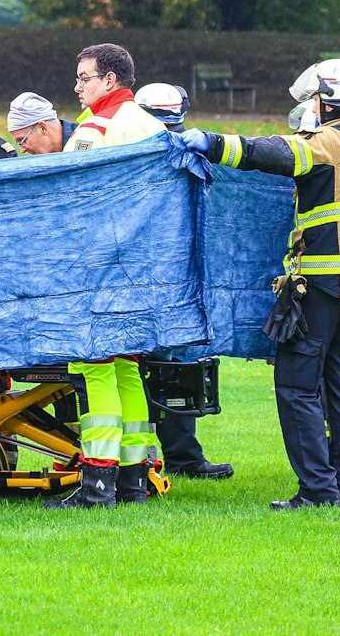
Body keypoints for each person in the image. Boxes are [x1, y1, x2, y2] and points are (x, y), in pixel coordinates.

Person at [180, 58, 340, 509]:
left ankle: (317, 491)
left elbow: (269, 153)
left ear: (328, 100)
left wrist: (211, 142)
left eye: (314, 99)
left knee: (297, 387)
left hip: (320, 286)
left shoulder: (327, 143)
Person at [45, 43, 170, 510]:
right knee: (128, 369)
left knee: (96, 368)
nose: (77, 87)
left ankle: (98, 486)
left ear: (109, 81)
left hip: (97, 265)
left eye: (84, 78)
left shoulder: (95, 129)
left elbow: (70, 197)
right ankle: (135, 481)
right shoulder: (153, 126)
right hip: (144, 268)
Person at [129, 82, 235, 482]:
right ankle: (149, 459)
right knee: (143, 367)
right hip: (143, 277)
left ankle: (182, 458)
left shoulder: (189, 150)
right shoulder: (130, 152)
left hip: (176, 277)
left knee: (176, 363)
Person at [5, 91, 75, 155]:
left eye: (22, 141)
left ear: (42, 128)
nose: (22, 150)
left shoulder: (83, 140)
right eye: (18, 144)